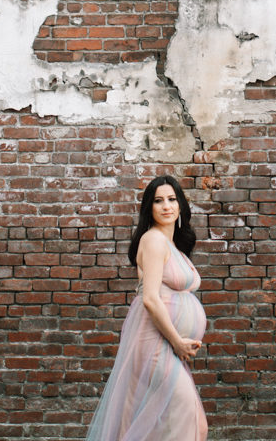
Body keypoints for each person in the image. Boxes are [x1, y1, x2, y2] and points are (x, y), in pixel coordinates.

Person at [86, 175, 208, 441]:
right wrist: (177, 342)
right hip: (157, 343)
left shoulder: (173, 246)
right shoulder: (153, 241)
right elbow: (150, 298)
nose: (166, 206)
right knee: (187, 420)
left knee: (181, 426)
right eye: (158, 201)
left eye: (172, 199)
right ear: (149, 209)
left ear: (180, 207)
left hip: (168, 346)